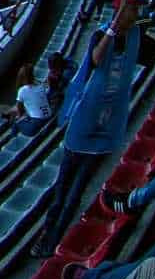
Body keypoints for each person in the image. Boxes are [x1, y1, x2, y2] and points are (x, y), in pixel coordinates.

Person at [33, 23, 135, 258]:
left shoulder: (124, 60)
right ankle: (48, 233)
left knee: (72, 195)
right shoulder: (97, 64)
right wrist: (117, 23)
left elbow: (147, 33)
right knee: (63, 193)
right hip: (81, 137)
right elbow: (97, 57)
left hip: (97, 141)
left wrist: (154, 15)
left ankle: (54, 238)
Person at [0, 65, 52, 135]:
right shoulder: (40, 85)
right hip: (48, 115)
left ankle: (13, 137)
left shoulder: (22, 90)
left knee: (15, 122)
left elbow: (20, 111)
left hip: (37, 123)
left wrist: (18, 116)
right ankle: (7, 114)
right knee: (22, 107)